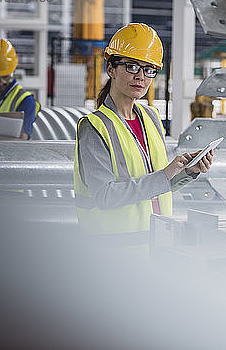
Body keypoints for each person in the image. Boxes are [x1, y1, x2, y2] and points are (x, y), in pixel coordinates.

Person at [73, 23, 214, 234]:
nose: (141, 76)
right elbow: (105, 196)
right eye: (132, 66)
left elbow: (157, 186)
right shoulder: (94, 127)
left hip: (156, 243)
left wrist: (187, 172)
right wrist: (165, 174)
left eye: (149, 69)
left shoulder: (151, 117)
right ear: (110, 68)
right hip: (114, 251)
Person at [0, 38, 41, 140]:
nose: (1, 82)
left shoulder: (26, 101)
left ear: (13, 71)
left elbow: (22, 143)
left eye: (6, 76)